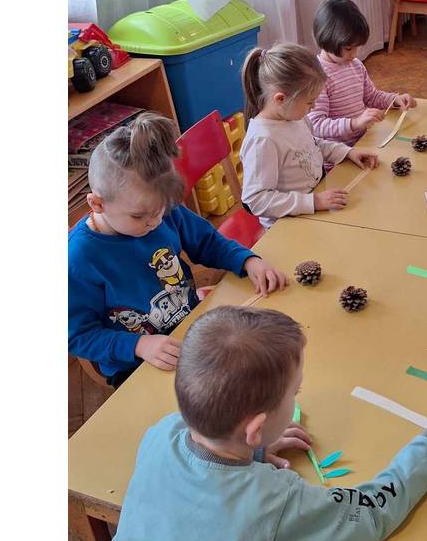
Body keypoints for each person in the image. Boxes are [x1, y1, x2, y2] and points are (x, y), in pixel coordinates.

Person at [107, 306, 427, 541]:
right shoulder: (271, 503)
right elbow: (372, 514)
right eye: (295, 393)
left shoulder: (162, 434)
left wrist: (254, 450)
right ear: (255, 427)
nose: (296, 399)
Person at [68, 113, 287, 386]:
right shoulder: (78, 259)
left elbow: (207, 242)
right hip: (136, 362)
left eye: (160, 210)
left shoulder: (158, 210)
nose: (154, 222)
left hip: (189, 327)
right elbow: (78, 336)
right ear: (97, 204)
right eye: (139, 216)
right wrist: (138, 345)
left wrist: (247, 261)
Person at [240, 44, 379, 229]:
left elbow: (312, 145)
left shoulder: (293, 116)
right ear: (280, 99)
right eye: (310, 102)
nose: (313, 107)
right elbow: (256, 200)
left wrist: (346, 152)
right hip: (287, 226)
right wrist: (313, 201)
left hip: (315, 205)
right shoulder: (262, 141)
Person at [308, 0, 416, 145]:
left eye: (357, 47)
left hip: (364, 141)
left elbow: (371, 96)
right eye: (348, 48)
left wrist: (394, 100)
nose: (354, 54)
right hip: (339, 153)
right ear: (326, 40)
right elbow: (316, 125)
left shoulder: (356, 65)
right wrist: (355, 123)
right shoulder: (317, 76)